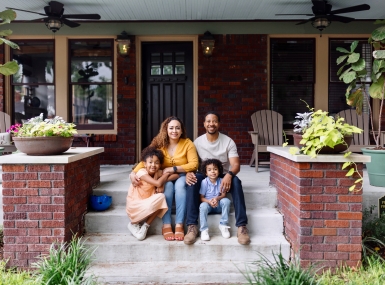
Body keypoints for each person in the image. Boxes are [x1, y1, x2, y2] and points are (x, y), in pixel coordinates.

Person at [184, 111, 251, 245]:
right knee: (192, 181)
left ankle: (241, 226)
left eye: (214, 121)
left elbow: (236, 165)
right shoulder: (197, 142)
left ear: (219, 124)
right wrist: (188, 173)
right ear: (204, 124)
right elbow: (192, 163)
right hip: (204, 173)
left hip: (223, 174)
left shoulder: (228, 141)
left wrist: (229, 175)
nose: (211, 124)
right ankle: (192, 226)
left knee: (237, 182)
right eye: (208, 121)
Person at [130, 116, 198, 241]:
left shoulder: (187, 143)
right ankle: (166, 224)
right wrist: (133, 173)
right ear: (166, 129)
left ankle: (179, 224)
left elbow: (194, 164)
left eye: (177, 128)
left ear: (182, 130)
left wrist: (174, 168)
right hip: (164, 177)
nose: (174, 131)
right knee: (168, 187)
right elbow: (146, 158)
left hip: (181, 175)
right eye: (171, 128)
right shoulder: (159, 143)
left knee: (180, 186)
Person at [126, 147, 172, 241]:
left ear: (160, 165)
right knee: (161, 197)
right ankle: (133, 224)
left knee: (161, 198)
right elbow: (158, 183)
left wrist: (164, 178)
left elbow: (176, 175)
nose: (153, 165)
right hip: (135, 205)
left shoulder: (157, 173)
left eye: (156, 162)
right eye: (150, 162)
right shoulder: (141, 173)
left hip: (147, 203)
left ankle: (145, 226)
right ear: (144, 164)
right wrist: (165, 176)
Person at [199, 158, 231, 241]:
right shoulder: (204, 182)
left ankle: (223, 225)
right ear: (206, 172)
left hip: (218, 205)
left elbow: (224, 195)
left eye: (215, 169)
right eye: (209, 170)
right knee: (203, 206)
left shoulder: (221, 181)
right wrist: (209, 201)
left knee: (226, 201)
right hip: (208, 206)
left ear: (219, 171)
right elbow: (201, 198)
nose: (213, 172)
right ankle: (204, 229)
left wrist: (217, 198)